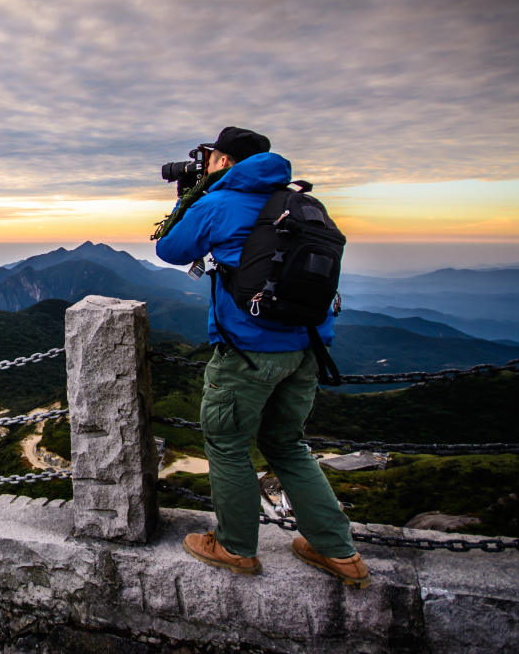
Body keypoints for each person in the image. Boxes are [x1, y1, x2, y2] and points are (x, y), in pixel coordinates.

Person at [154, 126, 370, 588]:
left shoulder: (218, 202)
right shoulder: (302, 202)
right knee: (287, 444)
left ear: (227, 161)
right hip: (307, 348)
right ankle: (339, 552)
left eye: (210, 158)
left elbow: (169, 249)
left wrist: (189, 196)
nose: (204, 164)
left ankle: (235, 548)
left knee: (228, 445)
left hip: (249, 352)